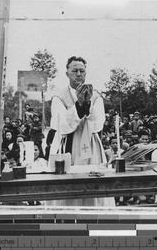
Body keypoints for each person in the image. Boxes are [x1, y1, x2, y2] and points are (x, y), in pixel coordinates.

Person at [49, 56, 114, 207]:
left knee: (94, 181)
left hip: (91, 145)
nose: (78, 74)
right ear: (67, 73)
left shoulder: (96, 96)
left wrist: (87, 104)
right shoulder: (58, 97)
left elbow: (98, 125)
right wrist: (78, 105)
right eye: (74, 70)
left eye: (82, 71)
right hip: (68, 144)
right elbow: (61, 125)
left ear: (86, 73)